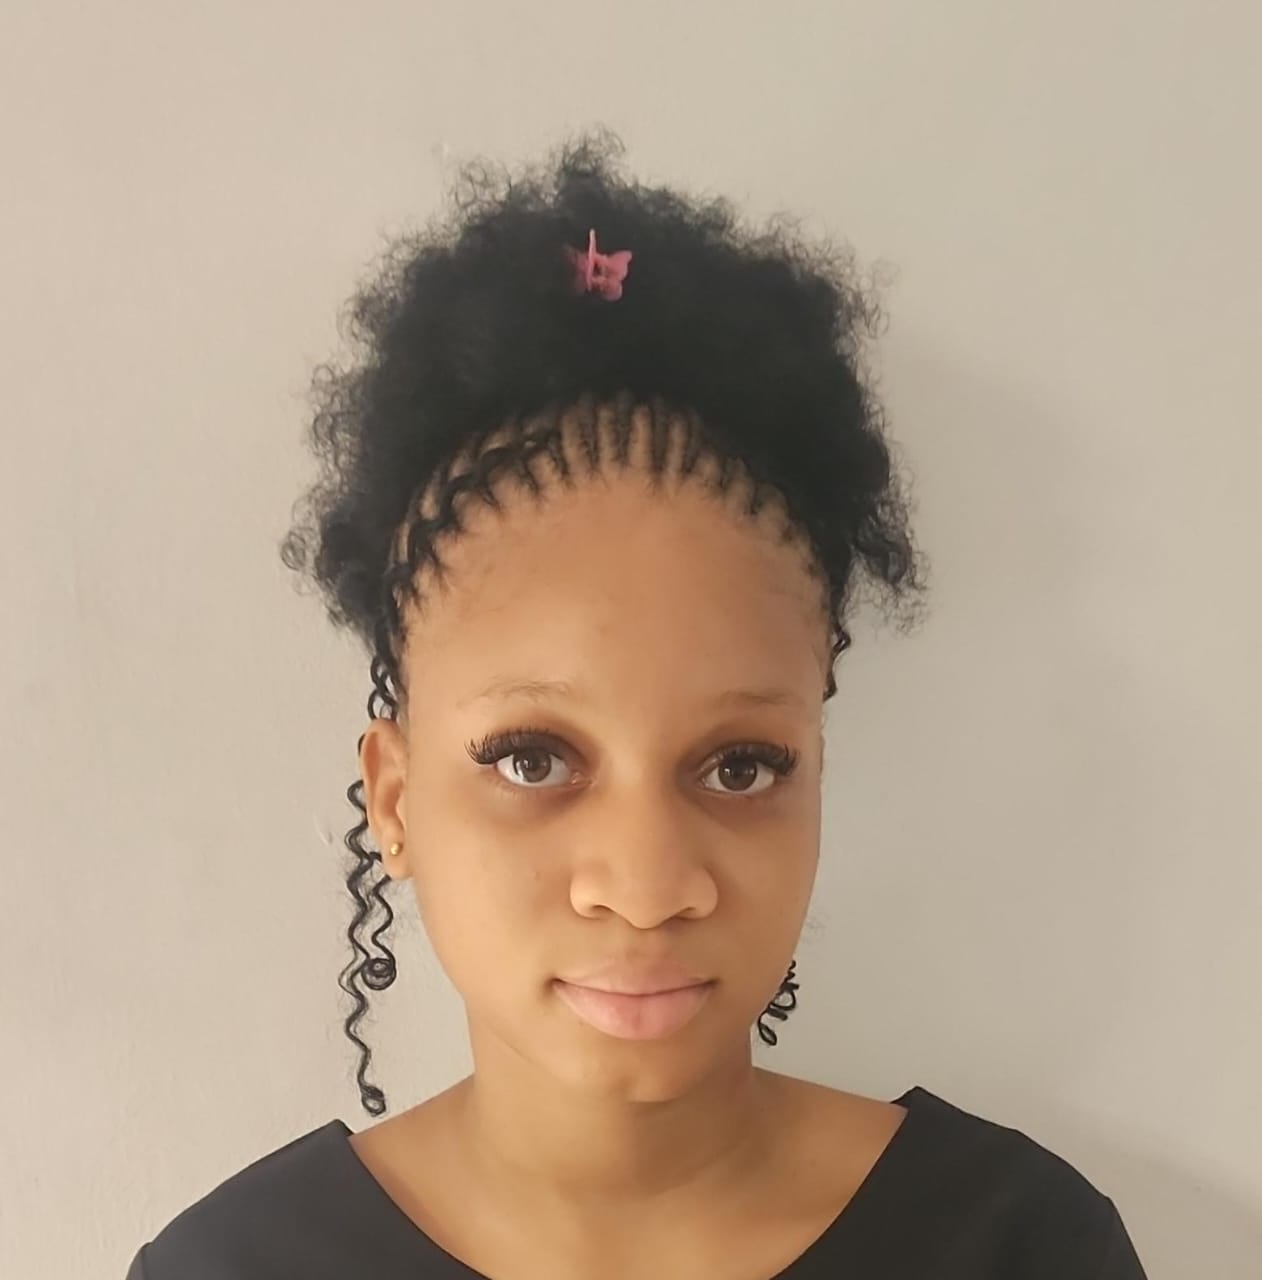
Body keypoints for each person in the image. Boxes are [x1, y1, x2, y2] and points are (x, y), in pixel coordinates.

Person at [124, 130, 1148, 1278]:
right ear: (394, 799)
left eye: (739, 765)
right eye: (531, 758)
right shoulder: (236, 1267)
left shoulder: (1015, 1244)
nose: (647, 884)